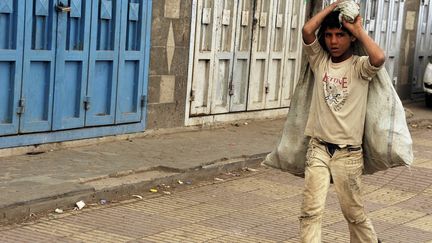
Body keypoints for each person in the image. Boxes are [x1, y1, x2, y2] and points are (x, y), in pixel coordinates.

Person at [300, 1, 385, 242]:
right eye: (328, 35)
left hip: (348, 154)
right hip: (318, 149)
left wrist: (358, 30)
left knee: (354, 215)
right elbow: (307, 31)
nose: (333, 42)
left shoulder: (359, 67)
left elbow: (378, 57)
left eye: (340, 35)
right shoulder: (320, 62)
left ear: (351, 39)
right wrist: (334, 7)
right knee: (310, 212)